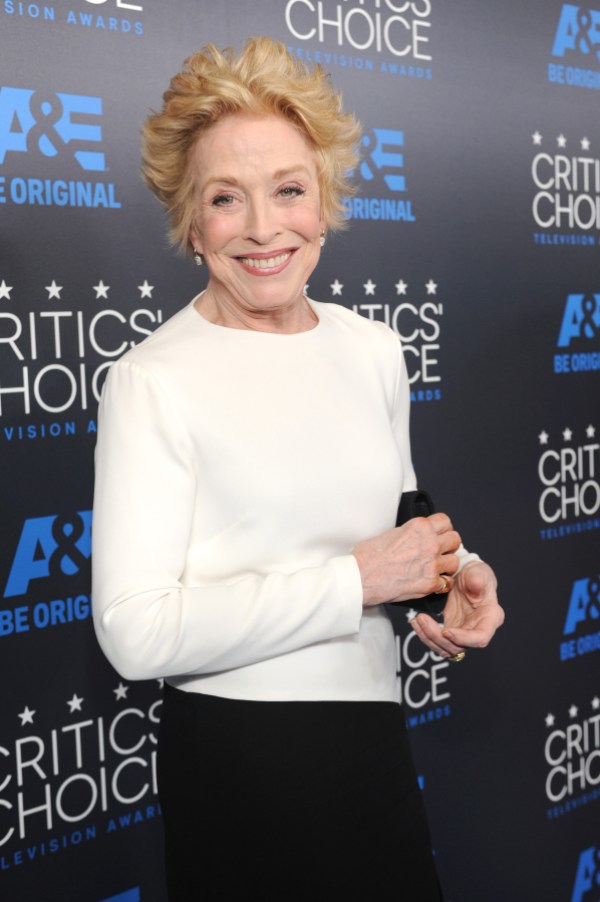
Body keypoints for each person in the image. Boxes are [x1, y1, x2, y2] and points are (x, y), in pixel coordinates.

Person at [92, 36, 504, 901]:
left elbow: (398, 519)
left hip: (374, 750)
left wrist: (454, 577)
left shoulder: (373, 349)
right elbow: (134, 632)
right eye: (226, 199)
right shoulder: (153, 380)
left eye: (288, 190)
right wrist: (351, 584)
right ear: (191, 224)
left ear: (324, 203)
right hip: (239, 766)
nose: (264, 227)